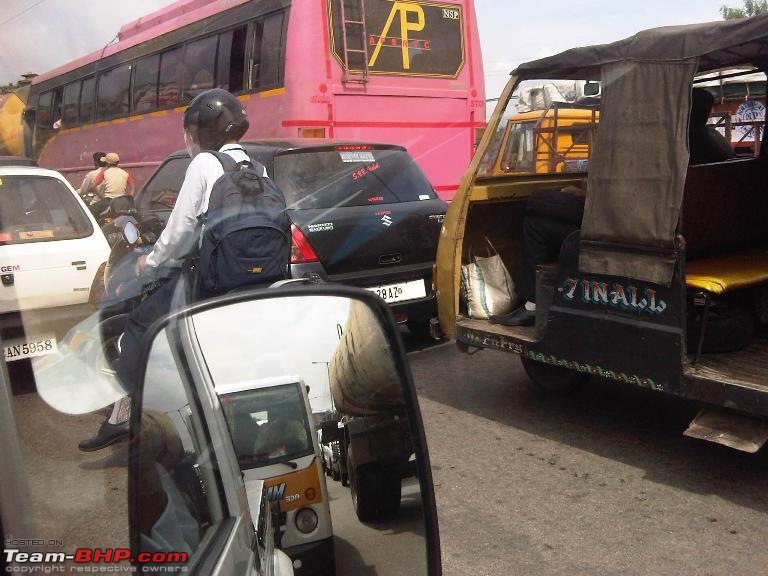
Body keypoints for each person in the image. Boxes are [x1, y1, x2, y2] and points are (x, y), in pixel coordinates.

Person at [79, 88, 262, 451]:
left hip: (210, 279)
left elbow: (180, 229)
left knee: (139, 325)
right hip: (255, 279)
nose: (190, 138)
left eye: (192, 131)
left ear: (206, 130)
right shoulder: (255, 166)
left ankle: (122, 418)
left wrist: (153, 260)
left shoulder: (205, 164)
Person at [494, 88, 736, 327]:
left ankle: (532, 304)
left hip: (648, 234)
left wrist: (584, 195)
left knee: (537, 223)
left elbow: (628, 198)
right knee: (548, 206)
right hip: (704, 232)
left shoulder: (671, 147)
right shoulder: (717, 144)